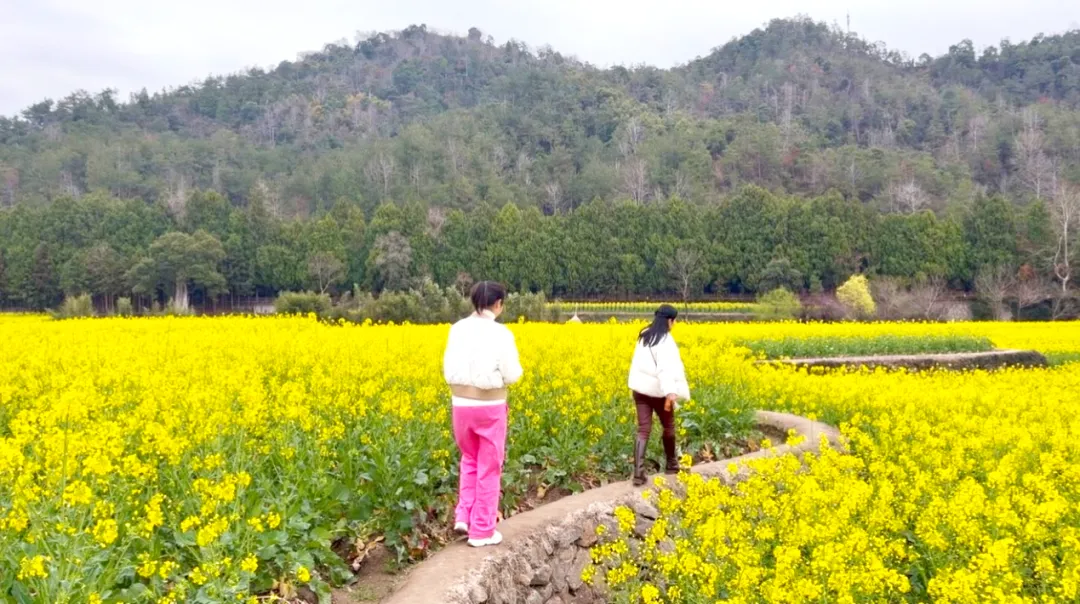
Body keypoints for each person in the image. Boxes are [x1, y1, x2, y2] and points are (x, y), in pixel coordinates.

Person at [442, 281, 523, 547]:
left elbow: (447, 367)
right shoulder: (501, 333)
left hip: (460, 406)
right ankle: (482, 530)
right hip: (489, 408)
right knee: (489, 467)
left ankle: (463, 516)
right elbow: (512, 374)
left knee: (469, 459)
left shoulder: (456, 329)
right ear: (498, 304)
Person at [627, 304, 691, 486]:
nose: (675, 324)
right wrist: (670, 392)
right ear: (670, 321)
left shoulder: (644, 335)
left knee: (643, 429)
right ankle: (672, 464)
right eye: (674, 320)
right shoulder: (665, 341)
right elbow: (664, 369)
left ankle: (638, 473)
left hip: (640, 391)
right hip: (659, 393)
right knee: (669, 427)